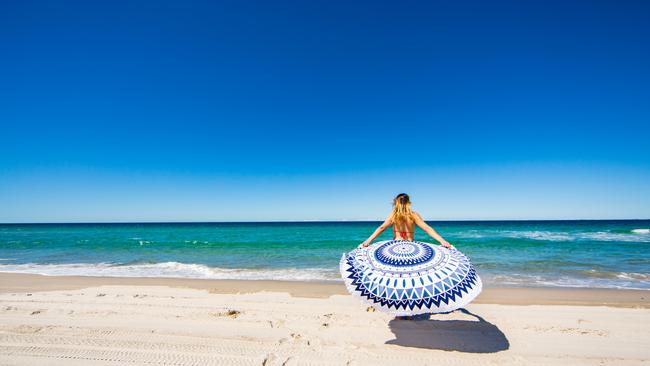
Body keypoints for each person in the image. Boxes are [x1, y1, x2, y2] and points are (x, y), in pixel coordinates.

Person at [359, 193, 454, 249]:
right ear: (408, 203)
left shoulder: (394, 215)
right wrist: (443, 241)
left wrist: (367, 241)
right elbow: (427, 229)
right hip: (411, 246)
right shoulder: (414, 215)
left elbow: (382, 228)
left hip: (395, 246)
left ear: (396, 203)